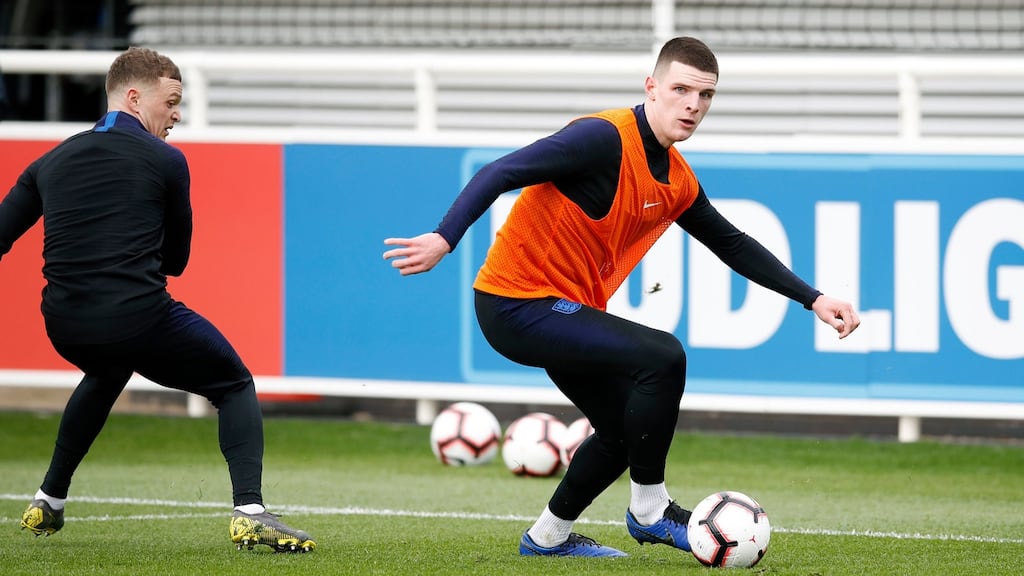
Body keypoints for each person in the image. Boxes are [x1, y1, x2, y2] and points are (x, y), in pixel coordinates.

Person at [383, 36, 860, 557]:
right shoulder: (601, 138)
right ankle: (651, 510)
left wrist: (812, 298)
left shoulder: (678, 179)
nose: (693, 105)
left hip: (559, 310)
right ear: (651, 87)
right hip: (512, 303)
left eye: (705, 95)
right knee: (663, 355)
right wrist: (445, 237)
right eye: (680, 90)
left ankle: (546, 539)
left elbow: (732, 243)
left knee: (621, 429)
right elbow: (500, 171)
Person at [0, 46, 315, 553]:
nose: (176, 115)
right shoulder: (167, 160)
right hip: (135, 316)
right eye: (170, 102)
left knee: (108, 369)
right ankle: (251, 512)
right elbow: (176, 262)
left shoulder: (48, 162)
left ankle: (48, 499)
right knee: (234, 383)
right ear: (133, 97)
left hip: (63, 322)